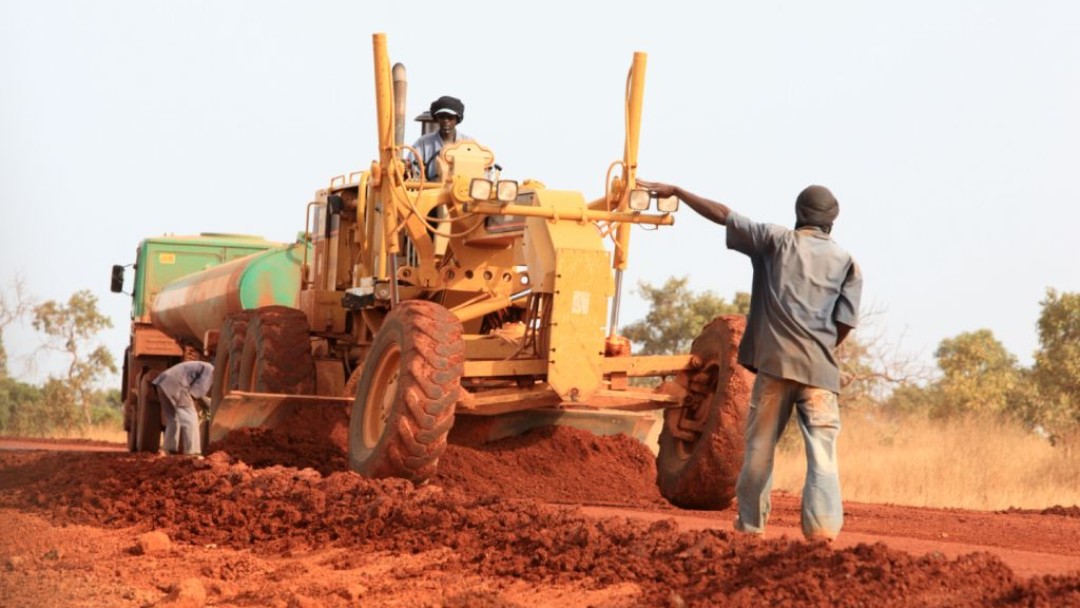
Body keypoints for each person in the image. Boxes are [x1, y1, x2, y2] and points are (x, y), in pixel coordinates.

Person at [638, 179, 862, 542]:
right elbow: (844, 323)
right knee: (823, 453)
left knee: (758, 449)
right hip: (819, 371)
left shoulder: (775, 241)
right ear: (831, 222)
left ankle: (750, 529)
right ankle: (822, 534)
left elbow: (724, 216)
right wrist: (818, 350)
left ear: (798, 215)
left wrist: (679, 192)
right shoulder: (848, 263)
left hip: (774, 367)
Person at [152, 360, 213, 455]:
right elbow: (195, 393)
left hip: (162, 383)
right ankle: (193, 452)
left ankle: (168, 449)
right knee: (191, 417)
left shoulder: (203, 366)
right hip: (176, 385)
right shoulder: (211, 370)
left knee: (173, 419)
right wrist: (211, 405)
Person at [408, 95, 472, 181]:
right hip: (429, 193)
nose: (446, 121)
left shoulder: (469, 145)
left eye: (450, 117)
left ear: (457, 119)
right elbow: (411, 172)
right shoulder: (422, 144)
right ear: (437, 119)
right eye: (442, 117)